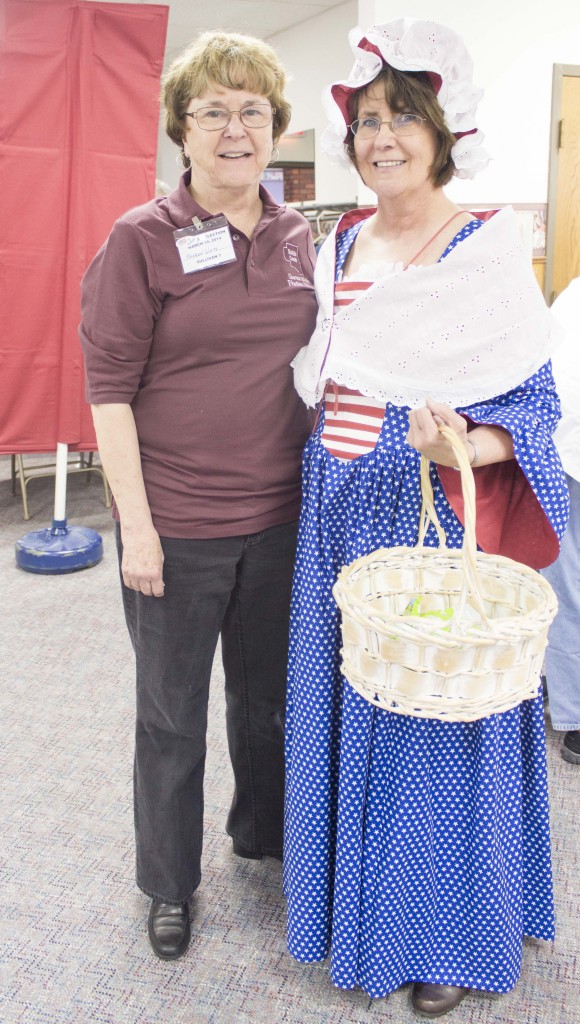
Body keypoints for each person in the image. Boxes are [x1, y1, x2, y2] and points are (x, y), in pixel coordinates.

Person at [284, 18, 568, 1018]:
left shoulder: (484, 251)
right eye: (367, 119)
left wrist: (458, 441)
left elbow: (534, 417)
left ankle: (446, 931)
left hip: (426, 520)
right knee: (351, 704)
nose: (383, 136)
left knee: (434, 724)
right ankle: (350, 908)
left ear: (445, 133)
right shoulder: (341, 242)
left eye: (405, 116)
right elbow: (323, 376)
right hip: (334, 504)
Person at [79, 31, 317, 960]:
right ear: (182, 128)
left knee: (264, 704)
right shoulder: (142, 238)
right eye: (213, 109)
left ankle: (260, 835)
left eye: (252, 109)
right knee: (170, 714)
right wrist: (134, 528)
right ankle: (168, 883)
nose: (234, 127)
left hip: (282, 519)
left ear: (275, 128)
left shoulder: (301, 234)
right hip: (174, 526)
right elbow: (107, 393)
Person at [542, 278, 580, 764]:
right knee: (563, 582)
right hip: (567, 452)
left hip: (566, 448)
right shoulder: (574, 294)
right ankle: (573, 708)